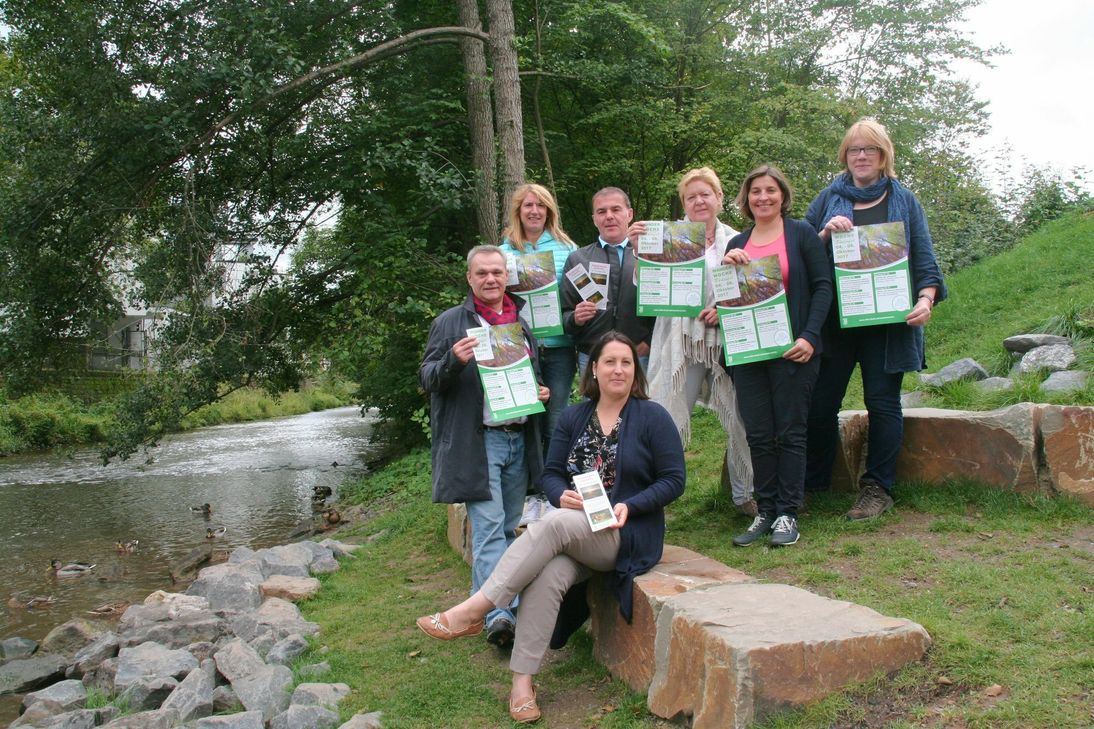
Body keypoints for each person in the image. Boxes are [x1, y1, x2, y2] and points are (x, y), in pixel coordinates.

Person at [415, 332, 685, 724]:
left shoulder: (652, 417)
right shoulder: (575, 416)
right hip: (577, 530)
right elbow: (551, 475)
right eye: (610, 362)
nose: (619, 370)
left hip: (623, 535)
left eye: (626, 362)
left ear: (635, 371)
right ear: (594, 369)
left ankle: (478, 607)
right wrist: (561, 495)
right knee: (550, 573)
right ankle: (522, 684)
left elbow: (674, 480)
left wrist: (630, 504)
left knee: (554, 523)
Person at [803, 118, 946, 520]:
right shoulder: (828, 198)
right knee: (820, 403)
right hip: (835, 322)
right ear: (845, 156)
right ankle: (813, 484)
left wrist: (925, 300)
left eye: (870, 149)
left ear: (884, 156)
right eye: (854, 149)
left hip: (888, 325)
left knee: (882, 404)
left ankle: (877, 488)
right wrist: (824, 235)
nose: (862, 156)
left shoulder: (905, 200)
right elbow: (800, 255)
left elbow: (925, 261)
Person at [419, 245, 551, 648]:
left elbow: (531, 377)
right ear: (469, 278)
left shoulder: (520, 324)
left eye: (497, 272)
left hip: (518, 438)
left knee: (508, 528)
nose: (490, 279)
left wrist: (540, 391)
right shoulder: (450, 323)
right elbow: (427, 378)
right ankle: (498, 616)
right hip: (479, 442)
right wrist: (452, 361)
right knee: (490, 528)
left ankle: (490, 605)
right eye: (482, 273)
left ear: (506, 277)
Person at [628, 167, 756, 516]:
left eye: (705, 194)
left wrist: (724, 310)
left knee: (741, 415)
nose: (699, 201)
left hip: (727, 340)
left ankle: (746, 494)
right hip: (679, 339)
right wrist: (640, 252)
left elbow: (751, 289)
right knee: (663, 413)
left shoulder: (739, 239)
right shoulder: (668, 237)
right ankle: (649, 498)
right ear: (683, 203)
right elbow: (645, 287)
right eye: (691, 197)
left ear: (719, 197)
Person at [722, 165, 833, 547]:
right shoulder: (737, 241)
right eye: (756, 191)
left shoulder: (801, 234)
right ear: (746, 198)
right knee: (758, 434)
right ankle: (765, 510)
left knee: (790, 432)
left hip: (793, 351)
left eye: (770, 190)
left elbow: (823, 288)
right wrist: (728, 270)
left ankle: (788, 513)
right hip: (749, 354)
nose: (763, 197)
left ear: (782, 195)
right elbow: (729, 300)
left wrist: (810, 337)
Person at [499, 183, 578, 450]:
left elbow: (579, 295)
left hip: (559, 348)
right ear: (518, 211)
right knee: (524, 418)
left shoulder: (567, 248)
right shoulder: (503, 252)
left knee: (556, 420)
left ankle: (553, 475)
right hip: (518, 350)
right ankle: (527, 476)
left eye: (541, 205)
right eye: (529, 205)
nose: (535, 211)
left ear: (549, 211)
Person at [560, 188, 654, 374]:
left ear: (629, 214)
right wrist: (575, 319)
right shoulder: (578, 259)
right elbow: (564, 314)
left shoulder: (649, 255)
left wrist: (649, 342)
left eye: (616, 209)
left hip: (639, 355)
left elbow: (665, 309)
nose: (609, 216)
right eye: (601, 211)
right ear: (594, 219)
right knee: (594, 397)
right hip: (592, 356)